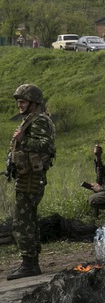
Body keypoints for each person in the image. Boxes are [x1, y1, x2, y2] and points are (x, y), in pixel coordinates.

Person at [7, 84, 56, 280]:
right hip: (27, 175)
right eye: (18, 101)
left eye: (23, 101)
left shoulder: (40, 120)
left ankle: (29, 263)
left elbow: (46, 145)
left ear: (33, 103)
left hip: (32, 177)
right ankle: (30, 260)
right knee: (28, 219)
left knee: (22, 221)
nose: (19, 105)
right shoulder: (32, 119)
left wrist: (23, 139)